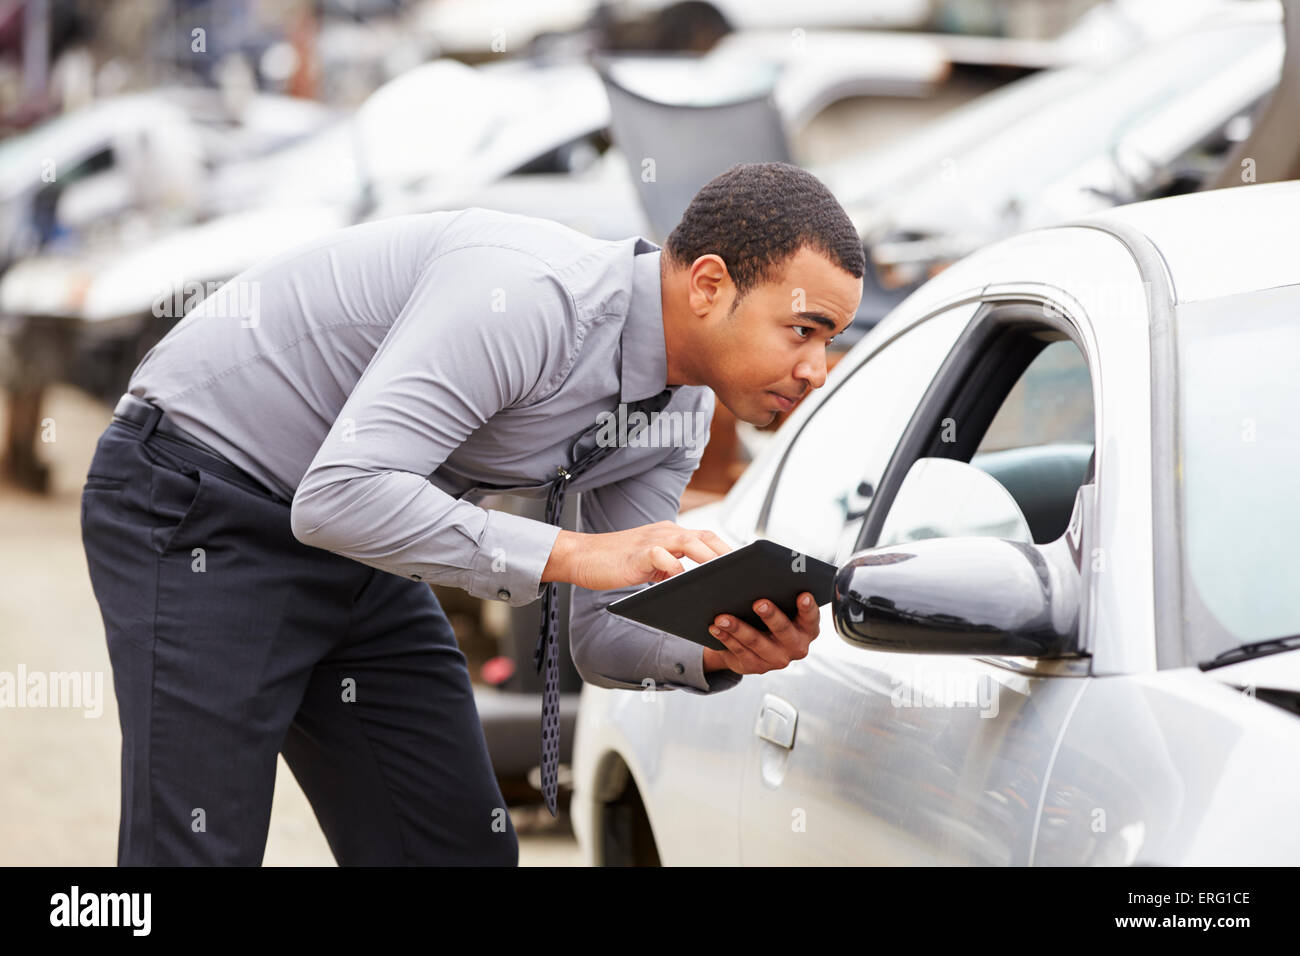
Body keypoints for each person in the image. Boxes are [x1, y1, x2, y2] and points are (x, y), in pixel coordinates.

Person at [80, 161, 865, 866]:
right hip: (200, 498)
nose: (816, 369)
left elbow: (601, 635)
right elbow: (338, 495)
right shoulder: (529, 300)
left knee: (456, 848)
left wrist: (720, 648)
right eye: (803, 330)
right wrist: (576, 553)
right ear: (708, 284)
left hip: (364, 539)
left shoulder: (679, 412)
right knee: (197, 846)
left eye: (832, 340)